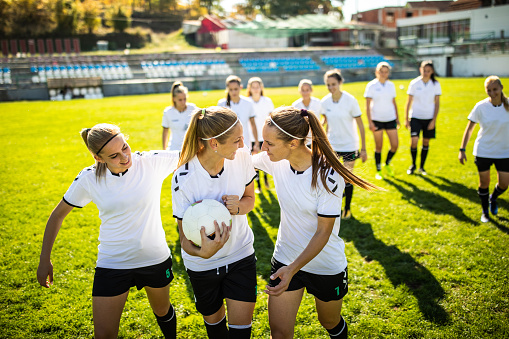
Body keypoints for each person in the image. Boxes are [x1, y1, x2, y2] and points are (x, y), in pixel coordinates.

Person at [37, 124, 179, 339]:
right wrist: (44, 259)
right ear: (98, 158)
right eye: (114, 155)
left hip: (153, 258)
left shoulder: (150, 162)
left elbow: (193, 152)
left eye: (125, 147)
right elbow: (57, 215)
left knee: (162, 310)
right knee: (103, 334)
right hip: (113, 262)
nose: (124, 157)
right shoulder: (89, 178)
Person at [252, 106, 377, 339]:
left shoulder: (327, 175)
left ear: (292, 143)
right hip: (285, 258)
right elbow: (236, 161)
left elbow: (323, 232)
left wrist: (293, 269)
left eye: (269, 143)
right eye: (263, 141)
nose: (262, 148)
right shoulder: (275, 160)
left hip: (325, 264)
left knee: (328, 321)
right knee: (279, 333)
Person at [171, 107, 257, 339]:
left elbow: (250, 200)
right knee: (217, 332)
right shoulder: (184, 177)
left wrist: (239, 206)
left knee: (241, 334)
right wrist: (203, 252)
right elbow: (184, 240)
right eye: (236, 140)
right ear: (214, 144)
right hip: (203, 266)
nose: (242, 145)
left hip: (240, 255)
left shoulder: (242, 156)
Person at [459, 76, 509, 223]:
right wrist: (462, 149)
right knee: (484, 182)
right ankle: (485, 211)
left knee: (504, 183)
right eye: (489, 90)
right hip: (484, 151)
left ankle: (493, 198)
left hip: (504, 152)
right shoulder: (480, 107)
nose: (492, 93)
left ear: (501, 88)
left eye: (495, 89)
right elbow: (468, 130)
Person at [321, 69, 367, 219]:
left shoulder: (350, 100)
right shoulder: (325, 101)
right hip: (333, 145)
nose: (331, 87)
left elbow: (361, 125)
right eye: (328, 85)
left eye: (334, 84)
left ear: (340, 83)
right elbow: (325, 124)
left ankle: (347, 208)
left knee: (347, 178)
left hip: (349, 145)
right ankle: (335, 207)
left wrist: (364, 148)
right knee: (332, 178)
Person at [405, 60, 442, 175]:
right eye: (424, 70)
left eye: (428, 71)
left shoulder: (436, 84)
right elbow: (408, 102)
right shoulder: (414, 83)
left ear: (432, 72)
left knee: (426, 142)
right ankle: (413, 165)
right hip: (415, 117)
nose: (425, 73)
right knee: (414, 142)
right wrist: (406, 118)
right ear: (420, 69)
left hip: (429, 118)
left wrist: (434, 120)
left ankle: (422, 167)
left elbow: (437, 103)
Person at [364, 62, 400, 180]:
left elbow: (393, 102)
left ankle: (387, 163)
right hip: (377, 120)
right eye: (381, 72)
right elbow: (367, 105)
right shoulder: (371, 85)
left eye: (386, 72)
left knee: (395, 145)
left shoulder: (391, 85)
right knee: (379, 146)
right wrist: (370, 122)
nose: (383, 74)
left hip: (390, 119)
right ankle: (378, 170)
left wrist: (397, 118)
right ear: (377, 72)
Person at [246, 76, 274, 192]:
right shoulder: (247, 102)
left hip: (265, 136)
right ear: (250, 88)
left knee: (266, 158)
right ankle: (257, 185)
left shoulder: (267, 101)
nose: (256, 89)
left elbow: (271, 118)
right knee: (254, 161)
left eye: (258, 87)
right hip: (251, 137)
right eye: (253, 87)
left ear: (261, 87)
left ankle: (266, 179)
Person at [218, 75, 259, 153]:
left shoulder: (248, 103)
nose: (233, 92)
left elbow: (253, 124)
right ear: (227, 89)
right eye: (231, 89)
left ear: (240, 87)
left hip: (245, 142)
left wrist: (256, 142)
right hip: (227, 143)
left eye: (236, 89)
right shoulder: (221, 104)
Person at [162, 81, 198, 150]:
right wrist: (164, 149)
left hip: (190, 149)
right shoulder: (168, 112)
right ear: (174, 99)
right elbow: (165, 131)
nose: (183, 102)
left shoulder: (193, 108)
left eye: (185, 99)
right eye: (180, 100)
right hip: (174, 148)